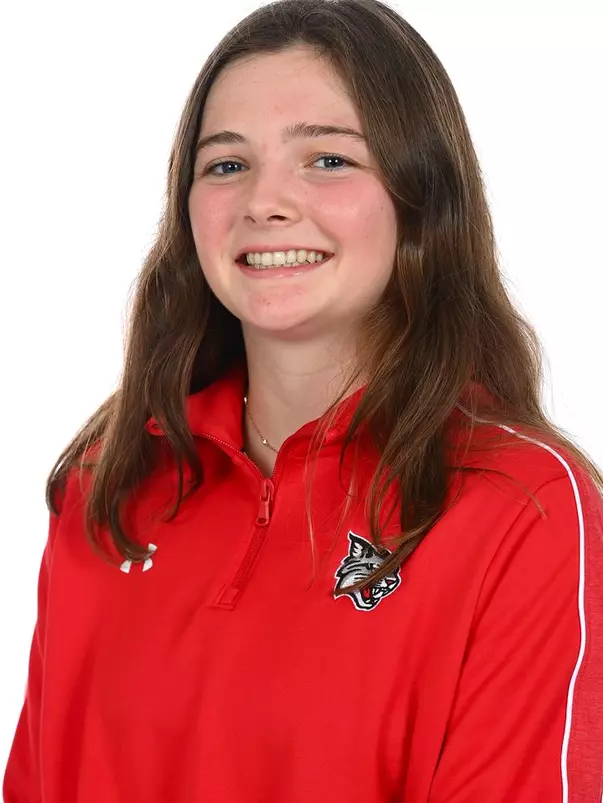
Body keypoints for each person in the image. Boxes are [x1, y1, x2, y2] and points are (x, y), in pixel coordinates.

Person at [3, 0, 602, 801]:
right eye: (225, 164)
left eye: (326, 160)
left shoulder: (520, 506)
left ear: (419, 196)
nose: (264, 201)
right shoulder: (107, 485)